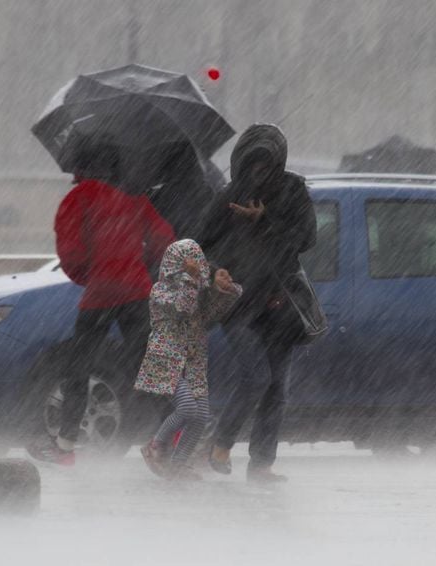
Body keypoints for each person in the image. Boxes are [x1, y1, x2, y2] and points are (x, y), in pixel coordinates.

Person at [27, 144, 176, 466]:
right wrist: (138, 263)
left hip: (100, 294)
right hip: (137, 291)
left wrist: (92, 274)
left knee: (78, 368)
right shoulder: (134, 197)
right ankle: (175, 434)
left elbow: (71, 253)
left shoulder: (78, 198)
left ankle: (65, 446)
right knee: (147, 365)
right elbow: (164, 239)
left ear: (83, 166)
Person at [198, 124, 316, 483]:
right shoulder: (228, 197)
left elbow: (306, 238)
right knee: (256, 377)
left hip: (279, 302)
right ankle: (220, 444)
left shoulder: (293, 190)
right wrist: (215, 271)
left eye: (266, 165)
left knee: (277, 387)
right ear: (241, 163)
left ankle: (262, 463)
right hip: (237, 304)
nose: (259, 173)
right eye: (252, 165)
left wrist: (265, 221)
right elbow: (200, 245)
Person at [135, 239, 241, 480]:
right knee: (186, 407)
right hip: (166, 358)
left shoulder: (197, 292)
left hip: (193, 362)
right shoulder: (160, 291)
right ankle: (154, 446)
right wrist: (190, 280)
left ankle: (179, 463)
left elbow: (211, 314)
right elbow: (181, 308)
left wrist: (223, 290)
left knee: (200, 416)